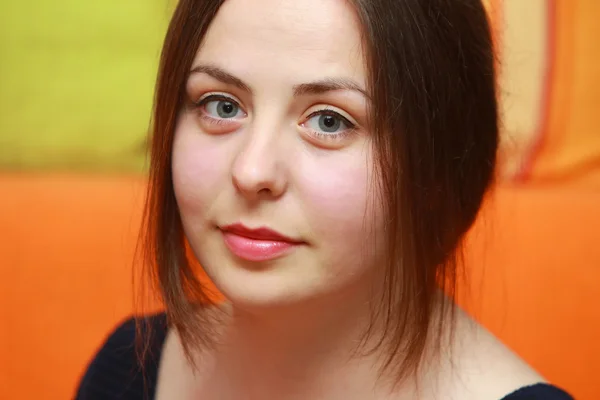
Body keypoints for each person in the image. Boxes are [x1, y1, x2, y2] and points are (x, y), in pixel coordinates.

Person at [76, 0, 573, 399]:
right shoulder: (129, 369)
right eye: (222, 106)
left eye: (329, 121)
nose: (251, 172)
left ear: (438, 169)